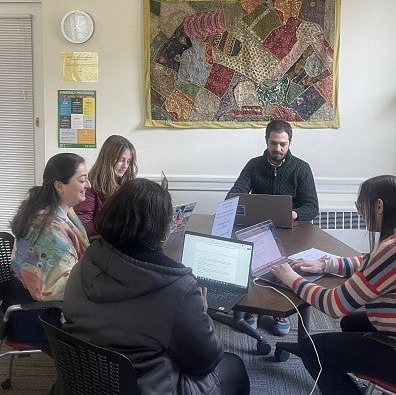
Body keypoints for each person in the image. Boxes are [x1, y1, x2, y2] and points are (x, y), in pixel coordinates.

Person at [63, 178, 250, 395]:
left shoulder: (82, 265)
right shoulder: (178, 288)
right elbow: (205, 362)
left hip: (87, 380)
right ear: (161, 229)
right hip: (146, 386)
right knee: (233, 365)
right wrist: (204, 313)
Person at [271, 175, 396, 395]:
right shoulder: (390, 245)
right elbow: (368, 262)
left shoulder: (390, 250)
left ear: (378, 206)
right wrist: (325, 265)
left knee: (311, 349)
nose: (359, 212)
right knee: (351, 323)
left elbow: (335, 305)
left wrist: (291, 278)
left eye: (361, 205)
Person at [228, 119, 319, 335]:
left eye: (282, 144)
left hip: (291, 230)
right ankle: (252, 309)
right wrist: (238, 202)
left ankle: (279, 311)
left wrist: (294, 213)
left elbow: (312, 206)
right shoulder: (253, 165)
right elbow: (234, 194)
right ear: (266, 141)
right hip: (259, 229)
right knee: (251, 263)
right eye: (273, 143)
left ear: (290, 143)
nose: (277, 149)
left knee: (282, 268)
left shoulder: (301, 168)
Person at [4, 153, 91, 349]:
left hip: (36, 306)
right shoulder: (47, 229)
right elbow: (53, 289)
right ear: (59, 186)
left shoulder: (58, 210)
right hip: (36, 317)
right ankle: (83, 376)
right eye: (82, 180)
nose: (89, 185)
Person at [74, 134, 138, 240]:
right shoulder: (90, 186)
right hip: (99, 244)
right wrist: (117, 224)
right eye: (121, 160)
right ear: (108, 159)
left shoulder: (125, 183)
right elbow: (83, 227)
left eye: (128, 161)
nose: (125, 166)